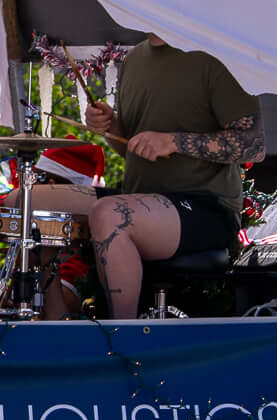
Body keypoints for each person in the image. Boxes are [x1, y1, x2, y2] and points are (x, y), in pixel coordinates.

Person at [67, 36, 264, 323]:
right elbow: (131, 147)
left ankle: (121, 340)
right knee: (30, 200)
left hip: (208, 207)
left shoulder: (217, 54)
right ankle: (49, 316)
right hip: (143, 200)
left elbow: (253, 145)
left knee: (108, 215)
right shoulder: (134, 60)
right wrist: (111, 125)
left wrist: (174, 142)